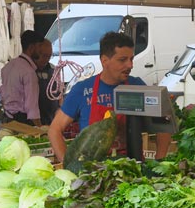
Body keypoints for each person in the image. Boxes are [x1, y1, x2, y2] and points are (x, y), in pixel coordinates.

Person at [48, 31, 170, 162]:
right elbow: (54, 130)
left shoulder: (137, 86)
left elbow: (163, 124)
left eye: (131, 59)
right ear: (104, 61)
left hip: (133, 170)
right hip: (93, 173)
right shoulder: (82, 90)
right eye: (122, 60)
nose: (130, 65)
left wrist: (159, 161)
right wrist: (69, 166)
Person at [0, 30, 44, 126]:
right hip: (22, 121)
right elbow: (31, 107)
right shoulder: (29, 72)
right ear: (32, 47)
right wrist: (40, 129)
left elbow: (2, 92)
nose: (41, 51)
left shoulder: (8, 66)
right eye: (39, 47)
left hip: (7, 117)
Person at [33, 39, 59, 126]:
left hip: (51, 119)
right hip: (33, 121)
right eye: (44, 56)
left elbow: (59, 94)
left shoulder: (53, 69)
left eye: (49, 56)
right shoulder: (28, 70)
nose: (46, 60)